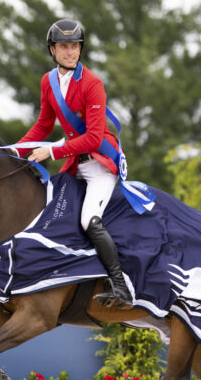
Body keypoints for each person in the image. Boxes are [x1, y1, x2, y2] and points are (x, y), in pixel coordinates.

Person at [14, 19, 132, 309]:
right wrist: (13, 152)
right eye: (64, 46)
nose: (70, 52)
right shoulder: (48, 82)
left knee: (87, 220)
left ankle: (121, 287)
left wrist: (52, 154)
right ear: (53, 50)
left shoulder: (92, 84)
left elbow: (93, 138)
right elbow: (42, 126)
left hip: (100, 165)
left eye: (75, 46)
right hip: (75, 166)